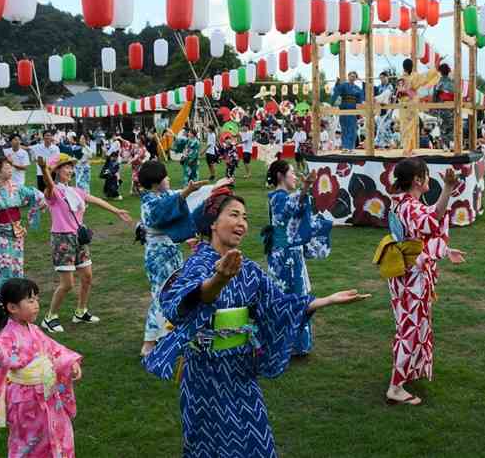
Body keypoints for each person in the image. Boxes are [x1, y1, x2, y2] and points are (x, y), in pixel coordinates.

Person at [143, 188, 370, 457]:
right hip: (205, 374)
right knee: (210, 443)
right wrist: (219, 280)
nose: (242, 223)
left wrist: (326, 300)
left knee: (256, 442)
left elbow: (277, 304)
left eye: (245, 217)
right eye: (234, 215)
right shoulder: (198, 266)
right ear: (213, 223)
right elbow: (184, 303)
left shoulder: (248, 269)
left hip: (241, 370)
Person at [384, 160, 466, 405]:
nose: (429, 179)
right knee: (409, 329)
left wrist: (445, 250)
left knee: (410, 326)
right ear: (418, 180)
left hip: (404, 274)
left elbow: (415, 238)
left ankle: (407, 372)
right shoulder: (409, 206)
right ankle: (395, 387)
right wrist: (448, 189)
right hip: (411, 278)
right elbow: (432, 220)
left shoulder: (400, 203)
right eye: (426, 175)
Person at [0, 278, 83, 458]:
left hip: (48, 391)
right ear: (12, 307)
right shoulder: (7, 336)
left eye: (37, 300)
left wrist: (70, 363)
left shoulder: (33, 329)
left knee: (56, 431)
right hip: (25, 400)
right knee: (29, 441)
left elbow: (54, 350)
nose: (36, 305)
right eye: (30, 301)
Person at [137, 160, 223, 356]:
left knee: (175, 292)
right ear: (155, 181)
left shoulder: (166, 195)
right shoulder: (149, 201)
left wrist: (215, 188)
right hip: (157, 254)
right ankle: (149, 342)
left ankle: (167, 336)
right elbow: (162, 212)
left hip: (172, 251)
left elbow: (189, 201)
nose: (168, 179)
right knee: (161, 294)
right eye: (165, 176)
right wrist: (185, 192)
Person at [39, 154, 132, 333]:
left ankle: (81, 312)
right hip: (62, 239)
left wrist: (116, 211)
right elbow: (49, 184)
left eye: (71, 167)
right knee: (67, 284)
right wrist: (44, 169)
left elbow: (95, 200)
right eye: (66, 167)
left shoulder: (75, 191)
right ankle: (50, 317)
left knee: (87, 277)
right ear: (57, 170)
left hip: (79, 239)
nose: (70, 170)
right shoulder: (54, 192)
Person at [265, 160, 332, 356]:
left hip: (284, 254)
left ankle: (287, 343)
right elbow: (294, 205)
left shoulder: (279, 197)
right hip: (286, 257)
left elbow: (297, 208)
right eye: (291, 173)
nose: (294, 176)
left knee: (288, 296)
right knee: (295, 297)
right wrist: (306, 186)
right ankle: (293, 345)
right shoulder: (279, 197)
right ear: (280, 176)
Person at [0, 158, 47, 296]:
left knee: (17, 261)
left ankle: (17, 291)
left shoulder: (16, 186)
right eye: (6, 168)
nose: (10, 170)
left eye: (10, 167)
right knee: (4, 262)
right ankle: (2, 291)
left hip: (16, 228)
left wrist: (41, 201)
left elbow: (32, 194)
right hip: (0, 229)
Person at [329, 71, 364, 152]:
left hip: (353, 109)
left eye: (354, 76)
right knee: (344, 128)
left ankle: (351, 148)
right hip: (344, 107)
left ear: (356, 78)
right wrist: (337, 83)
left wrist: (360, 111)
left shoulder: (358, 88)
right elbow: (336, 91)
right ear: (348, 76)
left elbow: (360, 99)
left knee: (353, 129)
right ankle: (345, 147)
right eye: (351, 76)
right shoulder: (344, 85)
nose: (352, 78)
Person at [432, 63, 456, 149]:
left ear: (440, 72)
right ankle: (452, 145)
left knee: (443, 129)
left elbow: (434, 98)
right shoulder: (453, 83)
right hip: (452, 109)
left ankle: (445, 146)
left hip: (442, 109)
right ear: (448, 72)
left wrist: (435, 107)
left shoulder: (438, 84)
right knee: (452, 128)